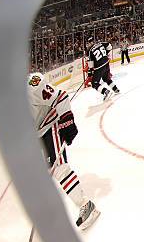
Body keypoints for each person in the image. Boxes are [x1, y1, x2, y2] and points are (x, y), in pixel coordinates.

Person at [27, 73, 100, 230]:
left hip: (49, 125)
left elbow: (60, 98)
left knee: (60, 169)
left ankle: (87, 205)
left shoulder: (32, 83)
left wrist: (67, 121)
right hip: (40, 134)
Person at [86, 36, 121, 101]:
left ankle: (106, 92)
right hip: (106, 63)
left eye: (88, 43)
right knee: (106, 78)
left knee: (94, 84)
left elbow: (90, 63)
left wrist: (90, 72)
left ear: (89, 43)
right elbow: (110, 46)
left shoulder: (90, 51)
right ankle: (115, 89)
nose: (88, 44)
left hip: (99, 67)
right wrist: (105, 53)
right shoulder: (101, 44)